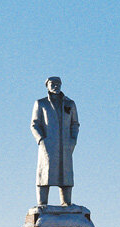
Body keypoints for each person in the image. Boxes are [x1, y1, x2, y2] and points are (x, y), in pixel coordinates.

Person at [31, 76, 80, 206]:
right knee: (45, 174)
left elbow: (75, 124)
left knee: (65, 175)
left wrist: (73, 140)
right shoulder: (41, 103)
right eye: (52, 83)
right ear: (47, 85)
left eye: (58, 83)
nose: (56, 86)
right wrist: (41, 140)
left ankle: (66, 203)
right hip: (48, 144)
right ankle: (42, 204)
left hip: (65, 145)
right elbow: (35, 124)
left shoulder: (70, 103)